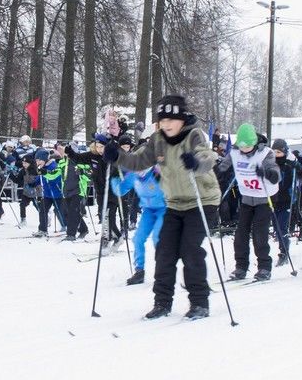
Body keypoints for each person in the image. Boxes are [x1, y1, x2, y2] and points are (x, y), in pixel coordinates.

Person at [104, 94, 219, 320]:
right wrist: (117, 156)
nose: (166, 125)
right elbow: (138, 161)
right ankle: (162, 302)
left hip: (202, 201)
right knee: (165, 250)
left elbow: (208, 157)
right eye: (162, 120)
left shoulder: (194, 135)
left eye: (171, 120)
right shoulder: (157, 140)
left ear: (182, 119)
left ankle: (199, 302)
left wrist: (196, 163)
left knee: (190, 249)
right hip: (175, 202)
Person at [226, 122, 279, 282]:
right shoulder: (234, 152)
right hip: (247, 198)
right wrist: (217, 173)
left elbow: (276, 175)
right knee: (241, 233)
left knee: (259, 233)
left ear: (254, 142)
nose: (244, 149)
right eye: (241, 146)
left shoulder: (266, 153)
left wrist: (265, 172)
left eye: (248, 146)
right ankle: (241, 267)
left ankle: (264, 267)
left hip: (265, 198)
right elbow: (223, 167)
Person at [111, 165, 165, 285]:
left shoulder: (157, 172)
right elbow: (120, 190)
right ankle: (139, 271)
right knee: (138, 239)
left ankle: (163, 271)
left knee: (158, 238)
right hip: (148, 210)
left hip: (164, 209)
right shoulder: (133, 176)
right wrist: (115, 177)